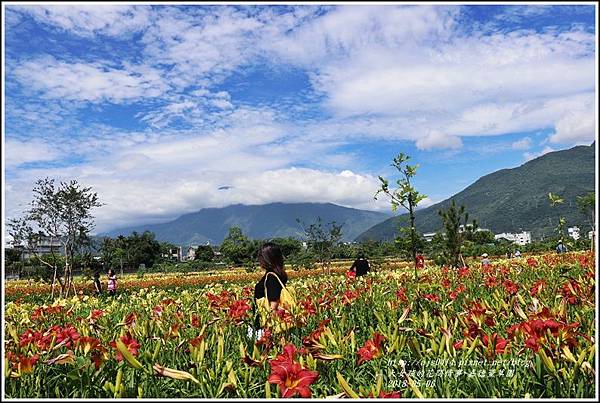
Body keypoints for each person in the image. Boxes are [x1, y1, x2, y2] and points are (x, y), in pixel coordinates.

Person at [251, 242, 288, 338]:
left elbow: (273, 305)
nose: (259, 260)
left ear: (267, 259)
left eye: (261, 257)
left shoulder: (271, 277)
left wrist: (268, 327)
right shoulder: (279, 274)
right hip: (268, 323)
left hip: (266, 325)